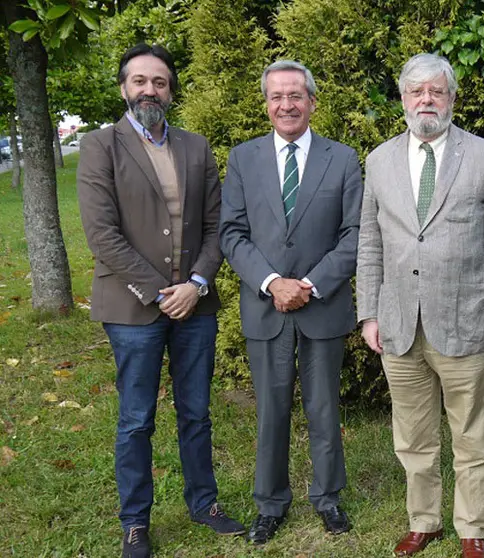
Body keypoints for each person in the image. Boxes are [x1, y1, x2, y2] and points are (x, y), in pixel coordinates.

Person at [77, 43, 244, 558]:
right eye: (140, 81)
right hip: (134, 310)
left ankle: (204, 503)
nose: (150, 89)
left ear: (171, 91)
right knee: (135, 419)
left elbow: (218, 226)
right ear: (124, 87)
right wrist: (158, 291)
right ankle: (135, 522)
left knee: (196, 412)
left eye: (160, 82)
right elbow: (101, 235)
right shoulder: (100, 146)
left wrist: (195, 284)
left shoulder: (196, 147)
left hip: (195, 304)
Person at [356, 53, 484, 558]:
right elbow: (369, 242)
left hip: (464, 319)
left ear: (451, 97)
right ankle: (423, 520)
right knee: (412, 436)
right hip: (399, 324)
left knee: (471, 433)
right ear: (403, 98)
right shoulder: (379, 160)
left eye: (436, 91)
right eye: (416, 91)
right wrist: (369, 312)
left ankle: (472, 528)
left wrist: (467, 274)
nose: (426, 100)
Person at [219, 60, 363, 544]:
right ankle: (270, 503)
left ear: (312, 102)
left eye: (296, 96)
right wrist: (272, 281)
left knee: (323, 408)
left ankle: (328, 498)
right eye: (277, 96)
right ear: (266, 104)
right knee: (272, 410)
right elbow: (232, 233)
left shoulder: (342, 159)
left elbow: (355, 233)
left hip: (321, 303)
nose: (286, 104)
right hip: (266, 306)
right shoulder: (243, 159)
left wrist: (310, 284)